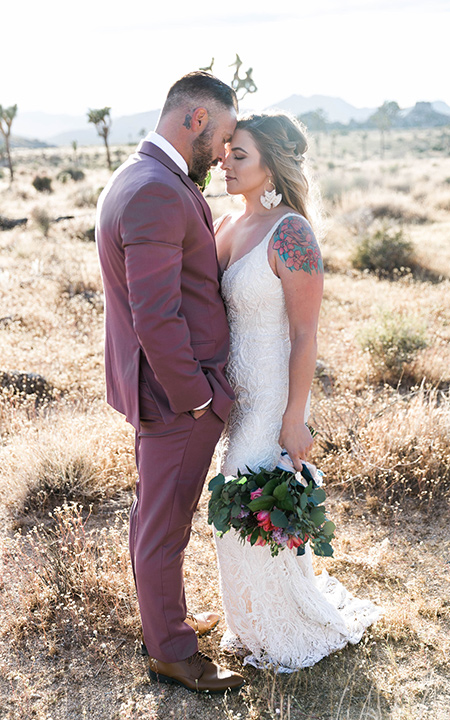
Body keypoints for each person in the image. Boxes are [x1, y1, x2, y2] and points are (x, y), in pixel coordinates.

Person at [213, 113, 381, 672]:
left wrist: (293, 418)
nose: (227, 163)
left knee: (250, 511)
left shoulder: (292, 232)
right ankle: (252, 619)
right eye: (227, 152)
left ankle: (282, 630)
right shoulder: (228, 225)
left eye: (241, 155)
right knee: (235, 510)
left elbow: (307, 333)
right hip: (233, 400)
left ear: (272, 166)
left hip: (272, 399)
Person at [95, 71, 244, 693]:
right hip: (176, 398)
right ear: (195, 121)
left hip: (164, 393)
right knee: (164, 523)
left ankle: (167, 620)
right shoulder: (156, 190)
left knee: (156, 517)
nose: (224, 152)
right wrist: (199, 397)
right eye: (224, 137)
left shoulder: (143, 176)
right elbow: (156, 316)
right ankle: (174, 653)